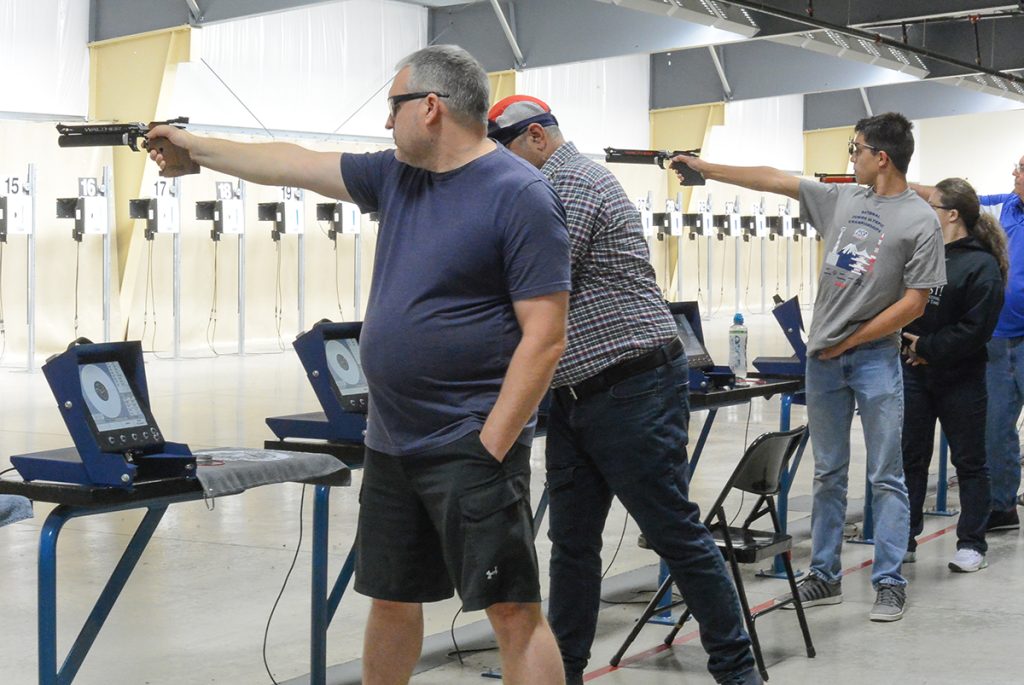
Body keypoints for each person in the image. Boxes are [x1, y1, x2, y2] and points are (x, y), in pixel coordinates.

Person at [149, 46, 571, 685]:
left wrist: (492, 444)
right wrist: (194, 146)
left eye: (393, 107)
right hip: (393, 439)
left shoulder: (520, 195)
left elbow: (544, 336)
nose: (384, 123)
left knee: (512, 609)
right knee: (392, 598)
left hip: (472, 440)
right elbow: (294, 163)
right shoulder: (397, 175)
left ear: (429, 108)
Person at [488, 95, 760, 685]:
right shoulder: (540, 184)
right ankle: (565, 671)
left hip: (629, 385)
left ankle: (738, 672)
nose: (498, 168)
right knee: (573, 545)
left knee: (675, 533)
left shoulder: (573, 183)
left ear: (536, 138)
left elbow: (533, 275)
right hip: (575, 395)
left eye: (503, 152)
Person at [674, 112, 946, 622]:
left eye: (857, 148)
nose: (852, 156)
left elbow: (914, 303)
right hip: (826, 360)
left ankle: (888, 579)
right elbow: (775, 179)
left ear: (880, 158)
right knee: (828, 472)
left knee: (886, 474)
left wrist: (854, 341)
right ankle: (825, 573)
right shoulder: (844, 199)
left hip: (872, 358)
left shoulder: (919, 220)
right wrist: (705, 168)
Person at [900, 178, 1006, 573]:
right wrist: (908, 347)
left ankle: (972, 544)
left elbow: (975, 329)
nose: (928, 211)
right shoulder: (925, 254)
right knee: (911, 458)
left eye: (934, 205)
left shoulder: (981, 265)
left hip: (961, 377)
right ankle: (904, 538)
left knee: (970, 461)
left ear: (953, 214)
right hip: (914, 375)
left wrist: (927, 349)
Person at [917, 155, 1024, 532]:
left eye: (1022, 168)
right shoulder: (1005, 203)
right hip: (1001, 340)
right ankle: (1002, 506)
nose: (1014, 173)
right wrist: (892, 185)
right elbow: (951, 197)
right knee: (997, 428)